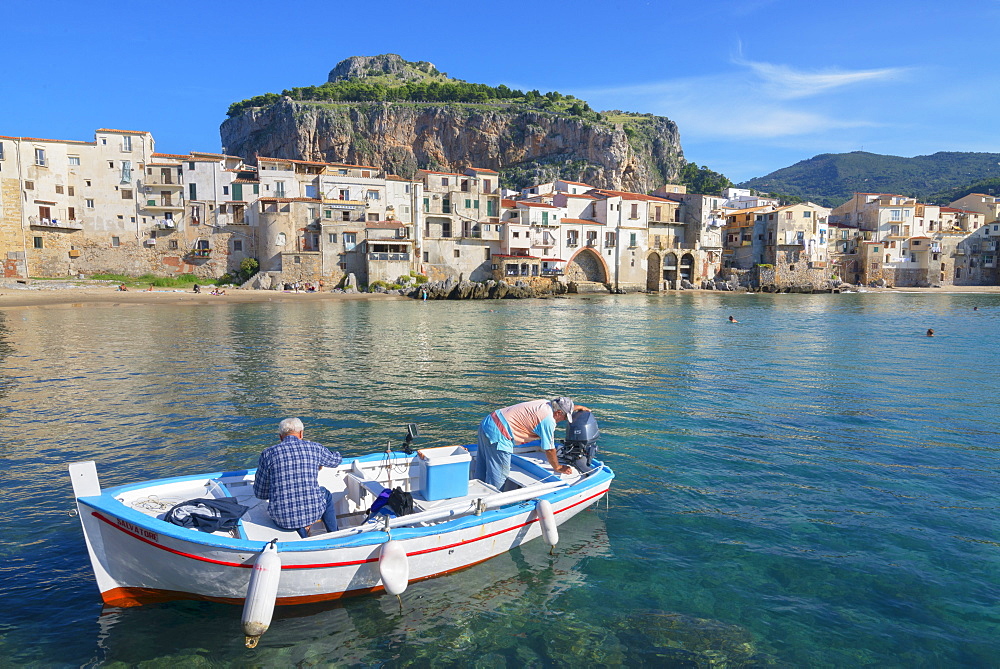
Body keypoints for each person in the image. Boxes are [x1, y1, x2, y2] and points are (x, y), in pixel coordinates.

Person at [253, 417, 342, 537]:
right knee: (325, 494)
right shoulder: (315, 448)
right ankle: (334, 534)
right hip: (313, 513)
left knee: (290, 506)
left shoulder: (268, 454)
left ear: (280, 437)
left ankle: (302, 535)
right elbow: (336, 461)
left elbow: (260, 494)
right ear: (301, 433)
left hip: (281, 519)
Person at [476, 398, 589, 489]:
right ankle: (489, 506)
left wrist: (577, 408)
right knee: (499, 475)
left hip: (489, 422)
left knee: (482, 464)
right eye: (564, 417)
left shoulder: (545, 403)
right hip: (499, 435)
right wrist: (558, 467)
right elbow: (549, 449)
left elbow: (562, 406)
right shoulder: (548, 420)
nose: (563, 420)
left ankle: (477, 494)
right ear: (558, 412)